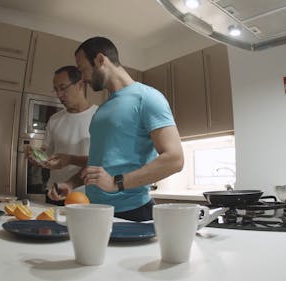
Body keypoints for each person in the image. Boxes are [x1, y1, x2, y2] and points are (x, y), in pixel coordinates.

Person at [48, 37, 184, 221]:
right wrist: (71, 184)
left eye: (82, 69)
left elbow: (175, 159)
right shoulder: (102, 110)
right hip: (95, 210)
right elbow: (100, 164)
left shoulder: (147, 97)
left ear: (100, 60)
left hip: (133, 213)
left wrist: (115, 183)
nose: (82, 78)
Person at [27, 65, 98, 204]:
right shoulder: (54, 119)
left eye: (63, 87)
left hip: (85, 196)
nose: (59, 94)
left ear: (80, 85)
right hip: (55, 193)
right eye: (56, 89)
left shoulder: (99, 116)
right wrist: (36, 158)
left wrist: (70, 159)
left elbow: (103, 161)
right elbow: (47, 155)